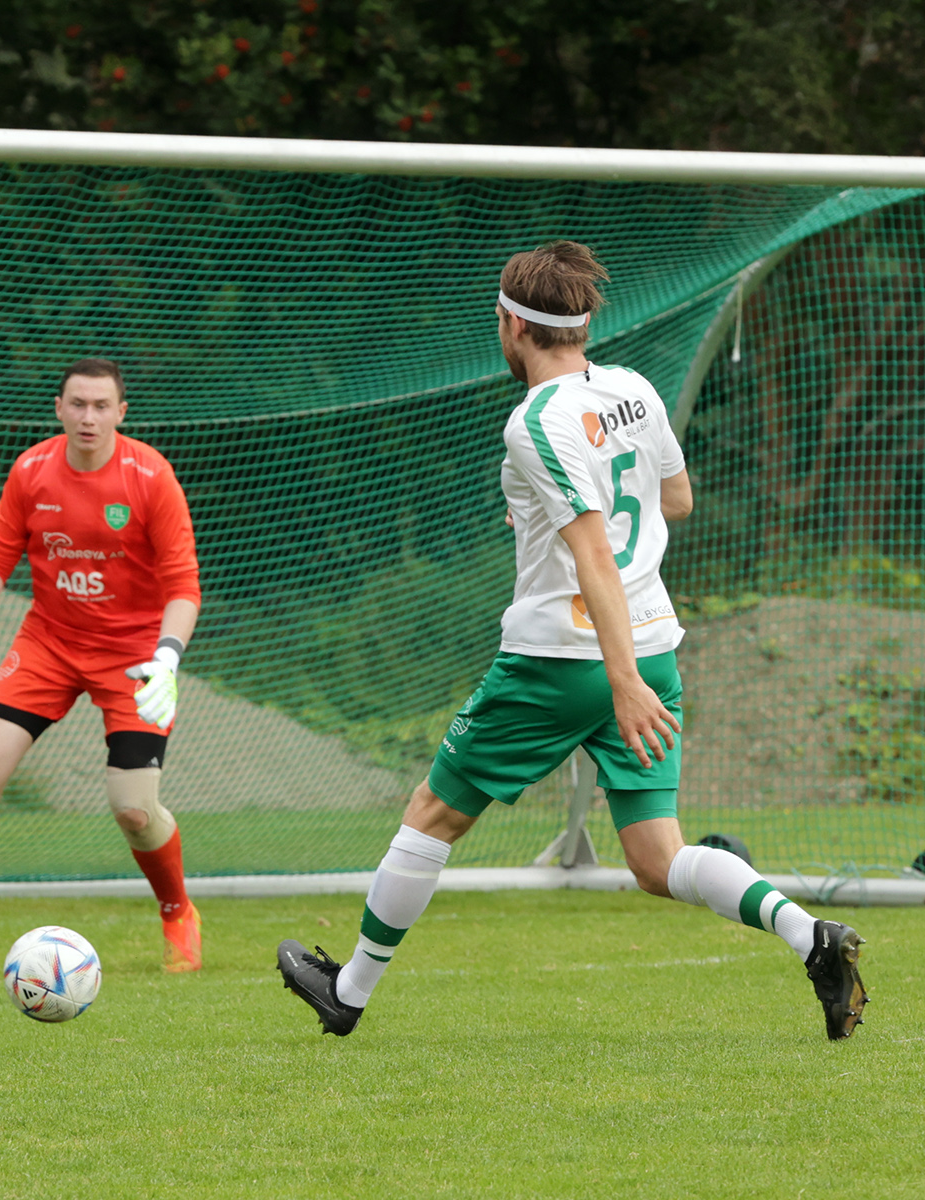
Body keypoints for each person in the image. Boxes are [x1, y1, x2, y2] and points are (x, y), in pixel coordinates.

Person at [277, 242, 870, 1042]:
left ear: (513, 324)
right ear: (583, 326)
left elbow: (593, 550)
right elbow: (678, 499)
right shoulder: (630, 389)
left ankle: (347, 992)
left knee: (432, 816)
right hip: (656, 645)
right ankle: (812, 937)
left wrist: (618, 678)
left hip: (564, 661)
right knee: (659, 860)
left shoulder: (534, 421)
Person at [0, 358, 204, 974]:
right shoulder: (32, 469)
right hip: (49, 642)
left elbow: (183, 586)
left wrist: (167, 660)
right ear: (59, 408)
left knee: (133, 809)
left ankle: (178, 912)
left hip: (133, 657)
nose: (89, 417)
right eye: (78, 404)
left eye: (102, 406)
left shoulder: (151, 476)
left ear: (122, 413)